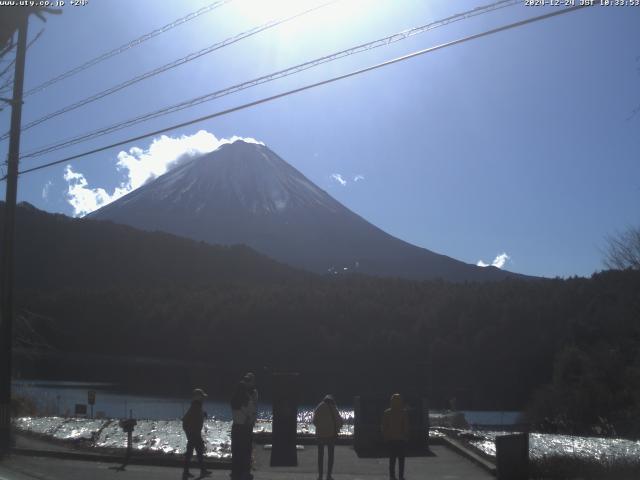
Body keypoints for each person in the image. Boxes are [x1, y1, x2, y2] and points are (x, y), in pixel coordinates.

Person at [312, 394, 343, 480]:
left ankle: (320, 475)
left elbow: (314, 421)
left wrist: (320, 427)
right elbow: (339, 421)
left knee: (320, 456)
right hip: (331, 436)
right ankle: (329, 475)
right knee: (330, 456)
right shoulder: (333, 408)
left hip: (320, 435)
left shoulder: (319, 407)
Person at [182, 388, 210, 478]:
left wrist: (203, 414)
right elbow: (190, 420)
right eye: (202, 397)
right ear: (198, 397)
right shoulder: (196, 406)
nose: (203, 399)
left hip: (194, 432)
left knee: (198, 450)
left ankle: (202, 470)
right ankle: (187, 472)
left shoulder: (196, 406)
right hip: (193, 432)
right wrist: (191, 432)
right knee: (192, 451)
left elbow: (188, 419)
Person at [381, 393, 410, 480]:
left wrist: (385, 436)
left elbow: (384, 426)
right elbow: (406, 426)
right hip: (401, 439)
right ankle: (401, 476)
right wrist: (406, 436)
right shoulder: (403, 413)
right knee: (401, 460)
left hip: (391, 439)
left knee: (392, 459)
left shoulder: (387, 412)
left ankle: (392, 476)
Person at [230, 379, 252, 480]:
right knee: (245, 451)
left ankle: (235, 471)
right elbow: (250, 415)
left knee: (235, 450)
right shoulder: (247, 400)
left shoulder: (233, 400)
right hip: (244, 427)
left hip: (235, 427)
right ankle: (244, 472)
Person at [244, 373, 258, 474]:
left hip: (249, 420)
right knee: (245, 444)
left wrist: (252, 419)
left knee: (248, 443)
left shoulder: (254, 392)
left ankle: (248, 464)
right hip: (243, 420)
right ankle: (246, 465)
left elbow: (254, 405)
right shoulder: (243, 392)